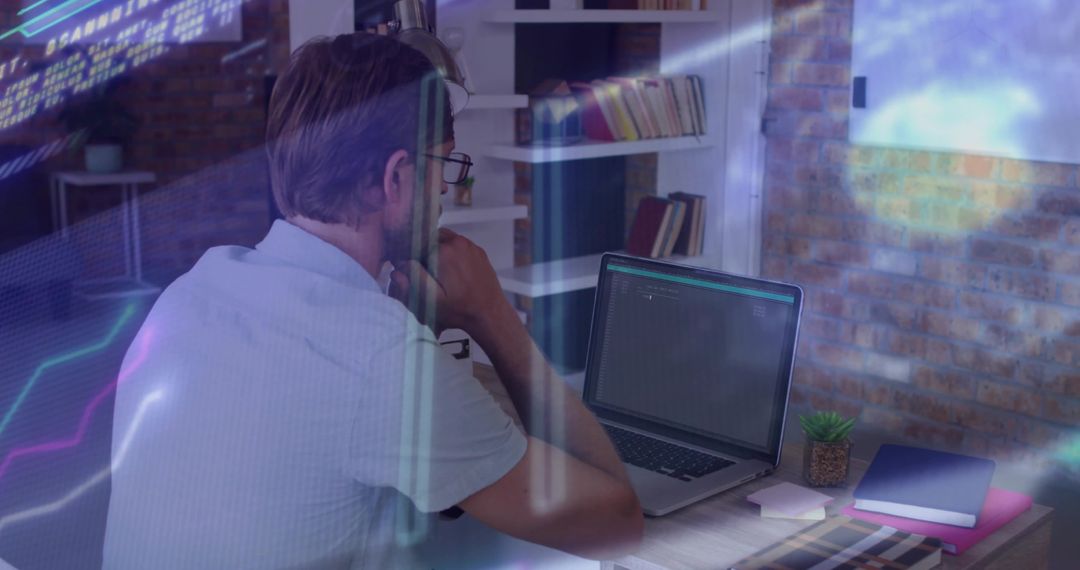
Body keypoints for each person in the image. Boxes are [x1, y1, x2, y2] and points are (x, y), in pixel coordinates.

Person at [102, 32, 642, 568]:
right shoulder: (383, 360)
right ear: (394, 178)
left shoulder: (190, 290)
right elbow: (616, 525)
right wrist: (492, 316)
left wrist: (404, 329)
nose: (445, 192)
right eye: (444, 166)